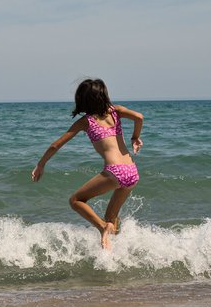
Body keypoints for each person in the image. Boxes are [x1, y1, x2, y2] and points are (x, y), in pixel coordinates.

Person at [31, 78, 143, 249]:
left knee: (76, 200)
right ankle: (116, 253)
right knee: (112, 216)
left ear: (82, 100)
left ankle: (101, 228)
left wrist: (41, 164)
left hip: (115, 171)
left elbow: (56, 145)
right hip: (132, 171)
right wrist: (135, 137)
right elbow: (139, 117)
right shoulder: (115, 111)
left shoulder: (86, 121)